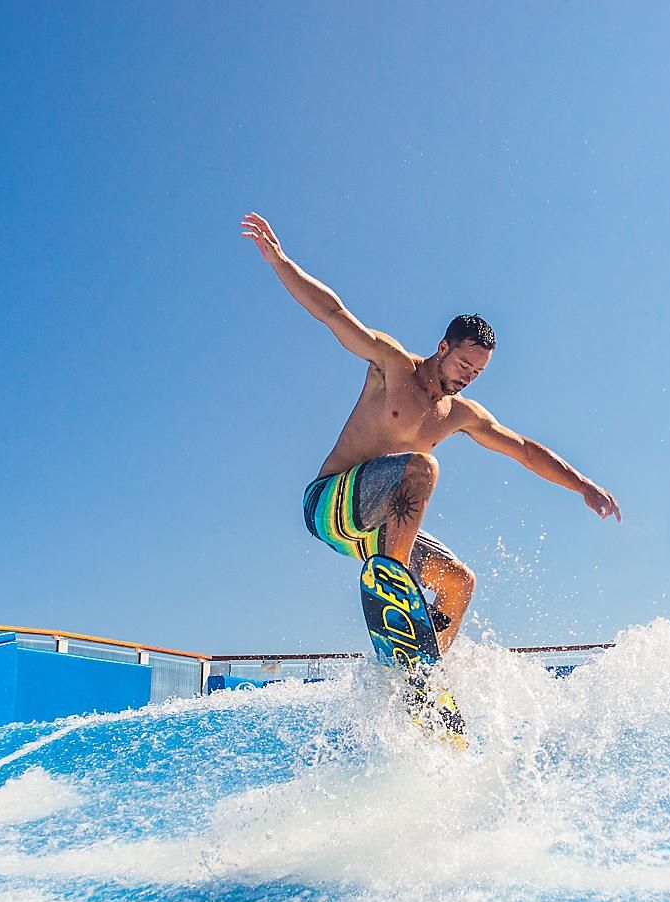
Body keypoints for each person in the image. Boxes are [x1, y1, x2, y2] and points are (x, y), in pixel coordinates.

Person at [241, 211, 621, 652]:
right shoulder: (391, 365)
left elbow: (525, 450)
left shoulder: (461, 414)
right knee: (421, 468)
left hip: (377, 532)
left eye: (478, 372)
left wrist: (582, 485)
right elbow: (333, 313)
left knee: (460, 583)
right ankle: (394, 591)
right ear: (442, 348)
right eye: (463, 365)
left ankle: (423, 673)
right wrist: (279, 261)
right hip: (329, 505)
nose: (468, 377)